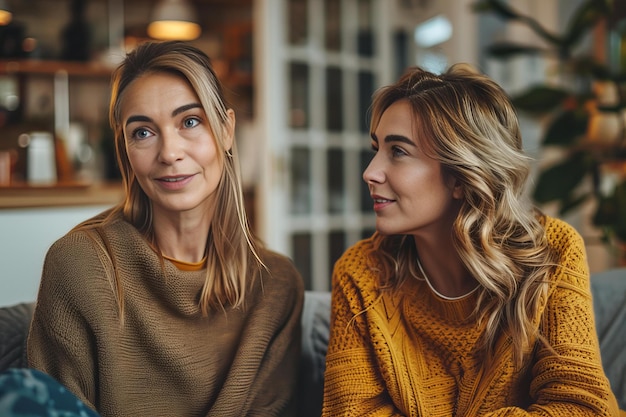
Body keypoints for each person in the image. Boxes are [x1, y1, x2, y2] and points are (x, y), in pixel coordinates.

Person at [321, 64, 623, 416]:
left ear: (462, 177)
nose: (370, 172)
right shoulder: (361, 273)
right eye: (376, 149)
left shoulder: (552, 251)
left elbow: (581, 407)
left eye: (398, 152)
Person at [26, 40, 304, 417]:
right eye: (143, 132)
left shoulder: (276, 286)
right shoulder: (80, 264)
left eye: (190, 122)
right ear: (125, 149)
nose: (170, 153)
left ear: (226, 131)